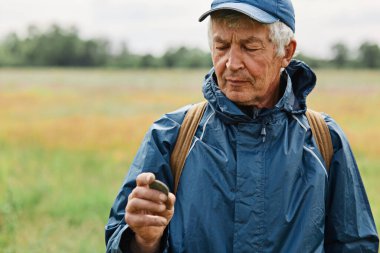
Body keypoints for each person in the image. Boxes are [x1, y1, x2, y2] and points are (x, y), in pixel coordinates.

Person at [105, 0, 379, 252]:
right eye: (222, 46)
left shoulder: (325, 139)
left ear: (286, 51)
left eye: (249, 47)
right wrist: (143, 239)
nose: (232, 64)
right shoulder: (171, 135)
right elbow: (119, 238)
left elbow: (355, 245)